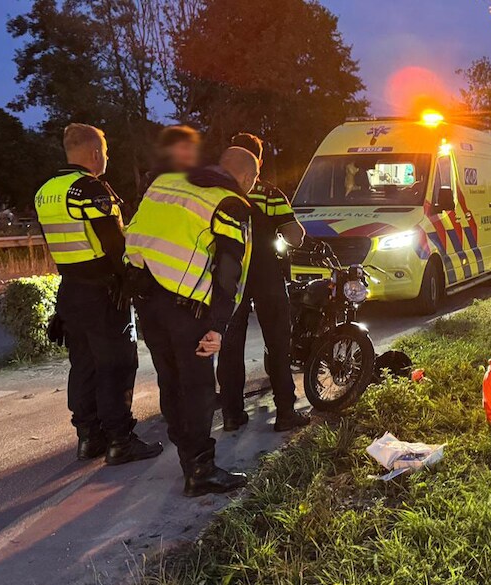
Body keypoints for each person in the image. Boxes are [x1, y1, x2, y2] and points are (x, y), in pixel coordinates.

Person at [125, 147, 258, 496]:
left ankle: (186, 453)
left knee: (170, 380)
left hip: (146, 298)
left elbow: (136, 231)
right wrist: (219, 325)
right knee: (198, 388)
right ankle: (200, 470)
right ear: (247, 177)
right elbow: (230, 271)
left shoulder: (166, 182)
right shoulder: (229, 203)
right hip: (187, 308)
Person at [34, 123, 163, 464]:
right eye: (105, 152)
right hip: (104, 292)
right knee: (117, 363)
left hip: (71, 289)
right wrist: (134, 280)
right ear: (94, 153)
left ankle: (89, 437)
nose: (107, 157)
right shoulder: (90, 189)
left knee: (84, 364)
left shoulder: (46, 191)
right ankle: (120, 440)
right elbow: (115, 245)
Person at [216, 133, 308, 433]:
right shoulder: (269, 194)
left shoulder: (213, 193)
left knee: (230, 346)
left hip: (229, 278)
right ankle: (285, 413)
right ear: (258, 161)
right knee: (278, 344)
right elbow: (295, 236)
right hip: (266, 275)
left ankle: (232, 414)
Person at [128, 125, 202, 221]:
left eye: (193, 148)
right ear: (167, 150)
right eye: (184, 147)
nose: (190, 153)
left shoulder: (200, 182)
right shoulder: (151, 180)